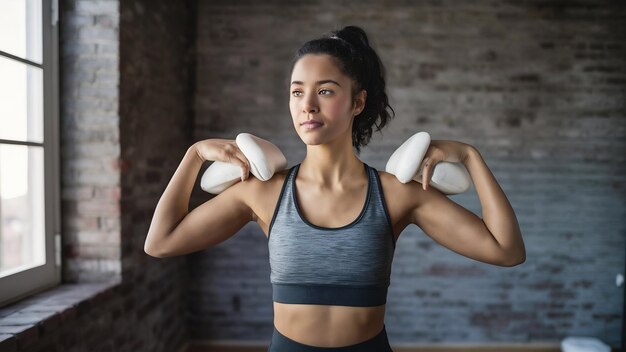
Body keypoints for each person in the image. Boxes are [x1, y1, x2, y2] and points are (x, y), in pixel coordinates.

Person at [144, 25, 526, 351]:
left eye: (325, 91)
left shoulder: (396, 193)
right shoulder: (263, 192)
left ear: (357, 102)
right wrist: (194, 155)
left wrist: (472, 157)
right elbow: (160, 242)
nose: (307, 105)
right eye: (297, 92)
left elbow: (506, 251)